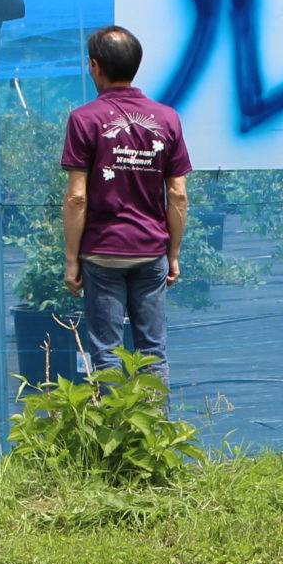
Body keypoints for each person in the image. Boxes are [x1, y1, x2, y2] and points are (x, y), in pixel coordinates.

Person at [61, 25, 190, 383]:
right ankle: (155, 421)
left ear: (95, 65)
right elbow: (178, 194)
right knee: (152, 352)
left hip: (102, 252)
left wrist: (72, 259)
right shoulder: (166, 118)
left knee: (107, 353)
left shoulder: (84, 119)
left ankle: (113, 421)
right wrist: (173, 253)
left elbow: (77, 196)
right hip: (150, 251)